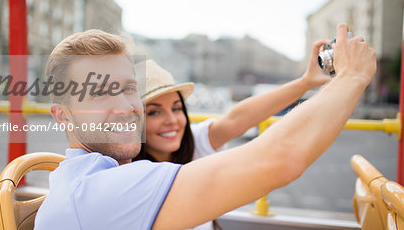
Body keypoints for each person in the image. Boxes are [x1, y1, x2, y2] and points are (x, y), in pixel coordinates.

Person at [35, 24, 376, 230]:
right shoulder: (102, 191)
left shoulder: (86, 179)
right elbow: (279, 159)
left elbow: (237, 121)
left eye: (127, 89)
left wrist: (305, 82)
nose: (126, 107)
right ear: (62, 115)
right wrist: (353, 76)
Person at [134, 39, 332, 165]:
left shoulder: (194, 142)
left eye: (177, 108)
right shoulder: (122, 172)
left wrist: (307, 82)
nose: (172, 120)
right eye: (154, 112)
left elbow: (237, 119)